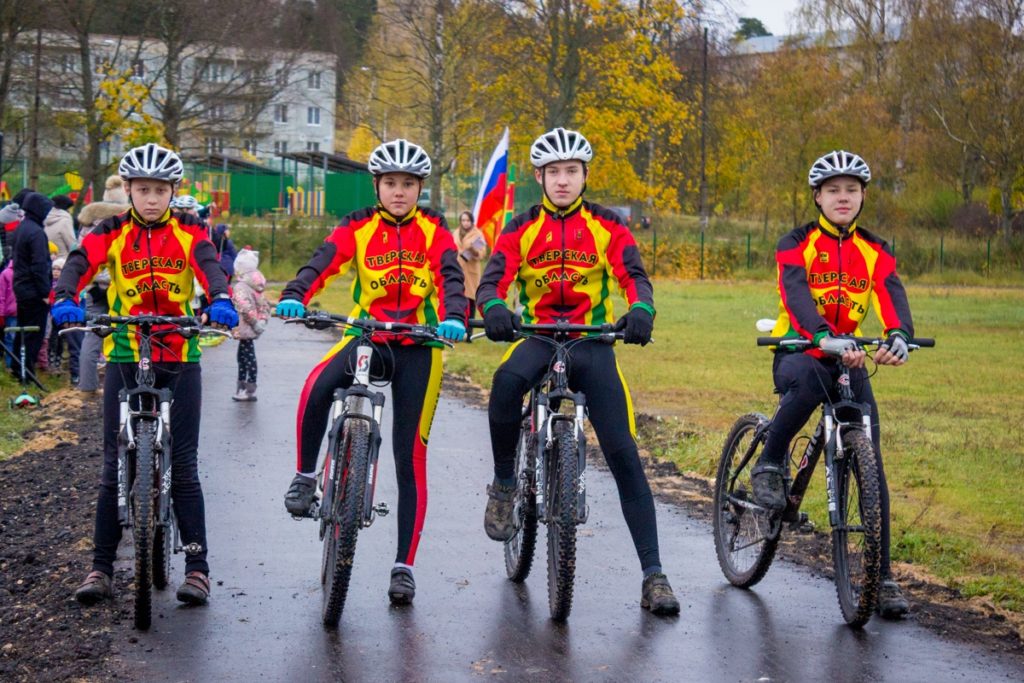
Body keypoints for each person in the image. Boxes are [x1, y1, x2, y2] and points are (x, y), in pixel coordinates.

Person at [477, 127, 679, 616]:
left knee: (625, 452)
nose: (562, 181)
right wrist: (495, 306)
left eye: (571, 171)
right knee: (505, 384)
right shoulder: (521, 226)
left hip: (592, 340)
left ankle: (654, 576)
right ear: (539, 177)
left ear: (585, 175)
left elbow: (634, 276)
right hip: (538, 335)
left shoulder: (608, 225)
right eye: (553, 172)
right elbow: (493, 279)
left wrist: (642, 310)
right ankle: (505, 485)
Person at [276, 138, 467, 605]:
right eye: (390, 183)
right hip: (366, 334)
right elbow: (324, 260)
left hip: (420, 345)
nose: (398, 192)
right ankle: (305, 476)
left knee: (410, 457)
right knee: (318, 384)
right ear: (377, 186)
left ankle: (404, 566)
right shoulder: (358, 225)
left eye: (407, 184)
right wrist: (296, 292)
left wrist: (456, 316)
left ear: (420, 188)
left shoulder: (434, 228)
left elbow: (450, 276)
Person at [52, 142, 238, 608]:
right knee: (114, 466)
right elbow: (79, 262)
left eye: (160, 190)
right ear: (129, 191)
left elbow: (210, 266)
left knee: (186, 467)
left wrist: (219, 298)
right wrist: (65, 295)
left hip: (178, 353)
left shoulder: (191, 229)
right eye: (142, 190)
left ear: (173, 192)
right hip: (124, 352)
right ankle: (101, 568)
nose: (151, 199)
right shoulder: (110, 230)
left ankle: (198, 570)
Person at [752, 150, 915, 619]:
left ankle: (881, 577)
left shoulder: (875, 250)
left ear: (862, 196)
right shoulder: (795, 242)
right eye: (833, 190)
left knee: (873, 469)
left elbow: (892, 295)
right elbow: (797, 293)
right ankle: (767, 463)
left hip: (852, 358)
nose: (843, 198)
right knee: (809, 380)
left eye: (851, 190)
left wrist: (899, 335)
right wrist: (821, 335)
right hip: (800, 351)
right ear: (817, 197)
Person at [10, 192, 53, 384]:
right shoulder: (36, 232)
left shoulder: (22, 228)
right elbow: (39, 265)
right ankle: (27, 373)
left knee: (22, 329)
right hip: (34, 290)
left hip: (20, 287)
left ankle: (16, 368)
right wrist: (45, 292)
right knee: (34, 333)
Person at [230, 248, 269, 401]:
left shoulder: (240, 287)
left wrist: (253, 322)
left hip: (245, 328)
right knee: (245, 356)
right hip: (252, 328)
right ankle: (245, 388)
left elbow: (244, 307)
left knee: (245, 359)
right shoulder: (256, 286)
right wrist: (262, 321)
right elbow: (264, 305)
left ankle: (247, 389)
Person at [453, 210, 487, 324]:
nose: (465, 223)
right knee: (458, 300)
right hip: (458, 269)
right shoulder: (456, 233)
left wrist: (473, 250)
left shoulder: (478, 234)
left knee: (470, 301)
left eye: (467, 220)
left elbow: (482, 253)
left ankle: (470, 330)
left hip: (471, 272)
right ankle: (460, 325)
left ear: (471, 221)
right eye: (463, 220)